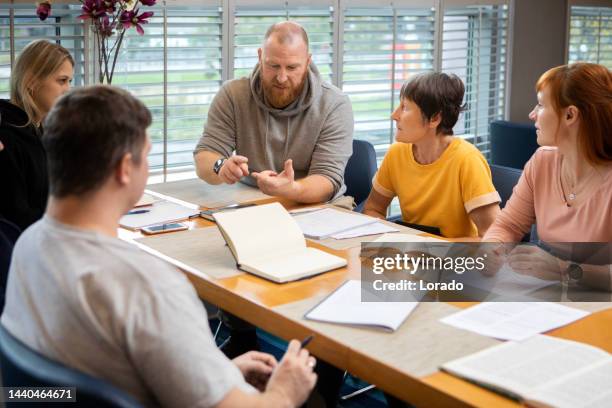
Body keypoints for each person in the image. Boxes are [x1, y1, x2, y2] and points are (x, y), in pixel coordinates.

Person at [1, 85, 317, 407]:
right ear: (125, 169)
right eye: (146, 155)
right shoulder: (148, 287)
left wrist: (218, 374)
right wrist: (285, 390)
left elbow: (83, 379)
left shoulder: (27, 246)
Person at [483, 63, 612, 291]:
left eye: (541, 105)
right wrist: (493, 248)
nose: (532, 114)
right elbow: (509, 224)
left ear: (570, 115)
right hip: (552, 298)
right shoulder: (542, 161)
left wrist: (562, 268)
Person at [193, 21, 353, 204]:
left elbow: (327, 180)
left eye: (292, 68)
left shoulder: (334, 104)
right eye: (273, 66)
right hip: (253, 201)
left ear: (308, 62)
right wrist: (221, 167)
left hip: (318, 205)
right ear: (260, 57)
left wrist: (291, 189)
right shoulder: (233, 95)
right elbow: (205, 156)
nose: (281, 78)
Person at [363, 72, 501, 239]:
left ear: (435, 118)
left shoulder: (467, 160)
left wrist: (431, 248)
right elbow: (373, 209)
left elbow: (494, 239)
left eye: (405, 107)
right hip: (412, 257)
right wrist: (390, 239)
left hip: (455, 261)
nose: (394, 115)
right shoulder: (396, 153)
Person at [0, 40, 74, 232]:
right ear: (31, 81)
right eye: (61, 80)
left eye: (69, 81)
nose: (68, 89)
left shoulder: (41, 130)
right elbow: (16, 217)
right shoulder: (7, 138)